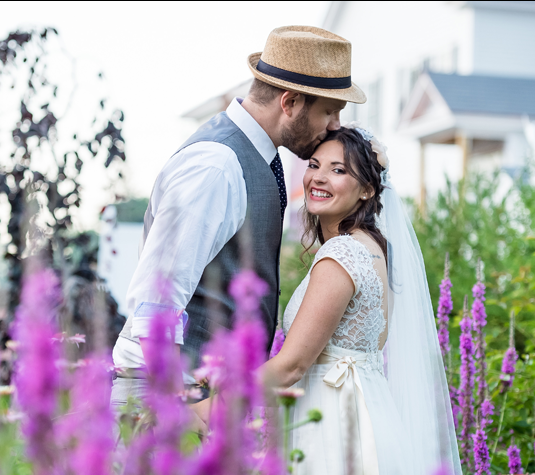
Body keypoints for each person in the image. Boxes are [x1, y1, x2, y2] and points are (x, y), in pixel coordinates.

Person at [110, 26, 366, 430]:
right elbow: (157, 299)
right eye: (329, 111)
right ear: (291, 102)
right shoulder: (217, 165)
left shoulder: (260, 159)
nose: (334, 126)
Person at [261, 127, 480, 475]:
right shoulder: (373, 249)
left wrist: (220, 394)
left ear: (367, 189)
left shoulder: (341, 256)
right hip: (368, 418)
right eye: (315, 165)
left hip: (336, 428)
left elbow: (294, 363)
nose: (319, 177)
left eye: (339, 170)